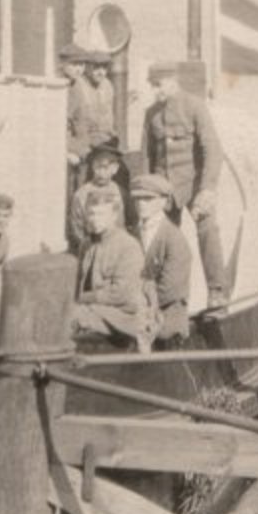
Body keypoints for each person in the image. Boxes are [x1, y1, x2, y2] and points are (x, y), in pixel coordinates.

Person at [144, 60, 229, 310]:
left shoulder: (194, 106)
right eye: (152, 85)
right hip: (164, 187)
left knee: (208, 231)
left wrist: (207, 189)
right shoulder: (151, 113)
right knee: (161, 238)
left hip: (193, 183)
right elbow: (148, 155)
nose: (155, 90)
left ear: (173, 81)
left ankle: (217, 291)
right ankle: (162, 297)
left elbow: (213, 149)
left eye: (159, 84)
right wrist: (147, 191)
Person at [71, 183, 151, 349]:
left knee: (72, 317)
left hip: (124, 317)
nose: (94, 219)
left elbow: (122, 295)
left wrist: (83, 299)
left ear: (114, 216)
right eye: (91, 214)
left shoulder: (128, 246)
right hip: (95, 310)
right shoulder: (87, 244)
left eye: (101, 214)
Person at [130, 172, 193, 345]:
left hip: (167, 317)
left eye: (148, 199)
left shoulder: (174, 239)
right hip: (135, 312)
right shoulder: (131, 234)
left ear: (164, 201)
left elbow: (170, 290)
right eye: (137, 199)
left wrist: (140, 305)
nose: (141, 204)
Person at [69, 138, 128, 251]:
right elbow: (77, 229)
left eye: (105, 167)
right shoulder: (81, 194)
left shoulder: (121, 193)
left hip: (118, 249)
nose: (101, 173)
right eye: (97, 167)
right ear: (92, 167)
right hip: (92, 248)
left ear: (115, 169)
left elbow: (130, 224)